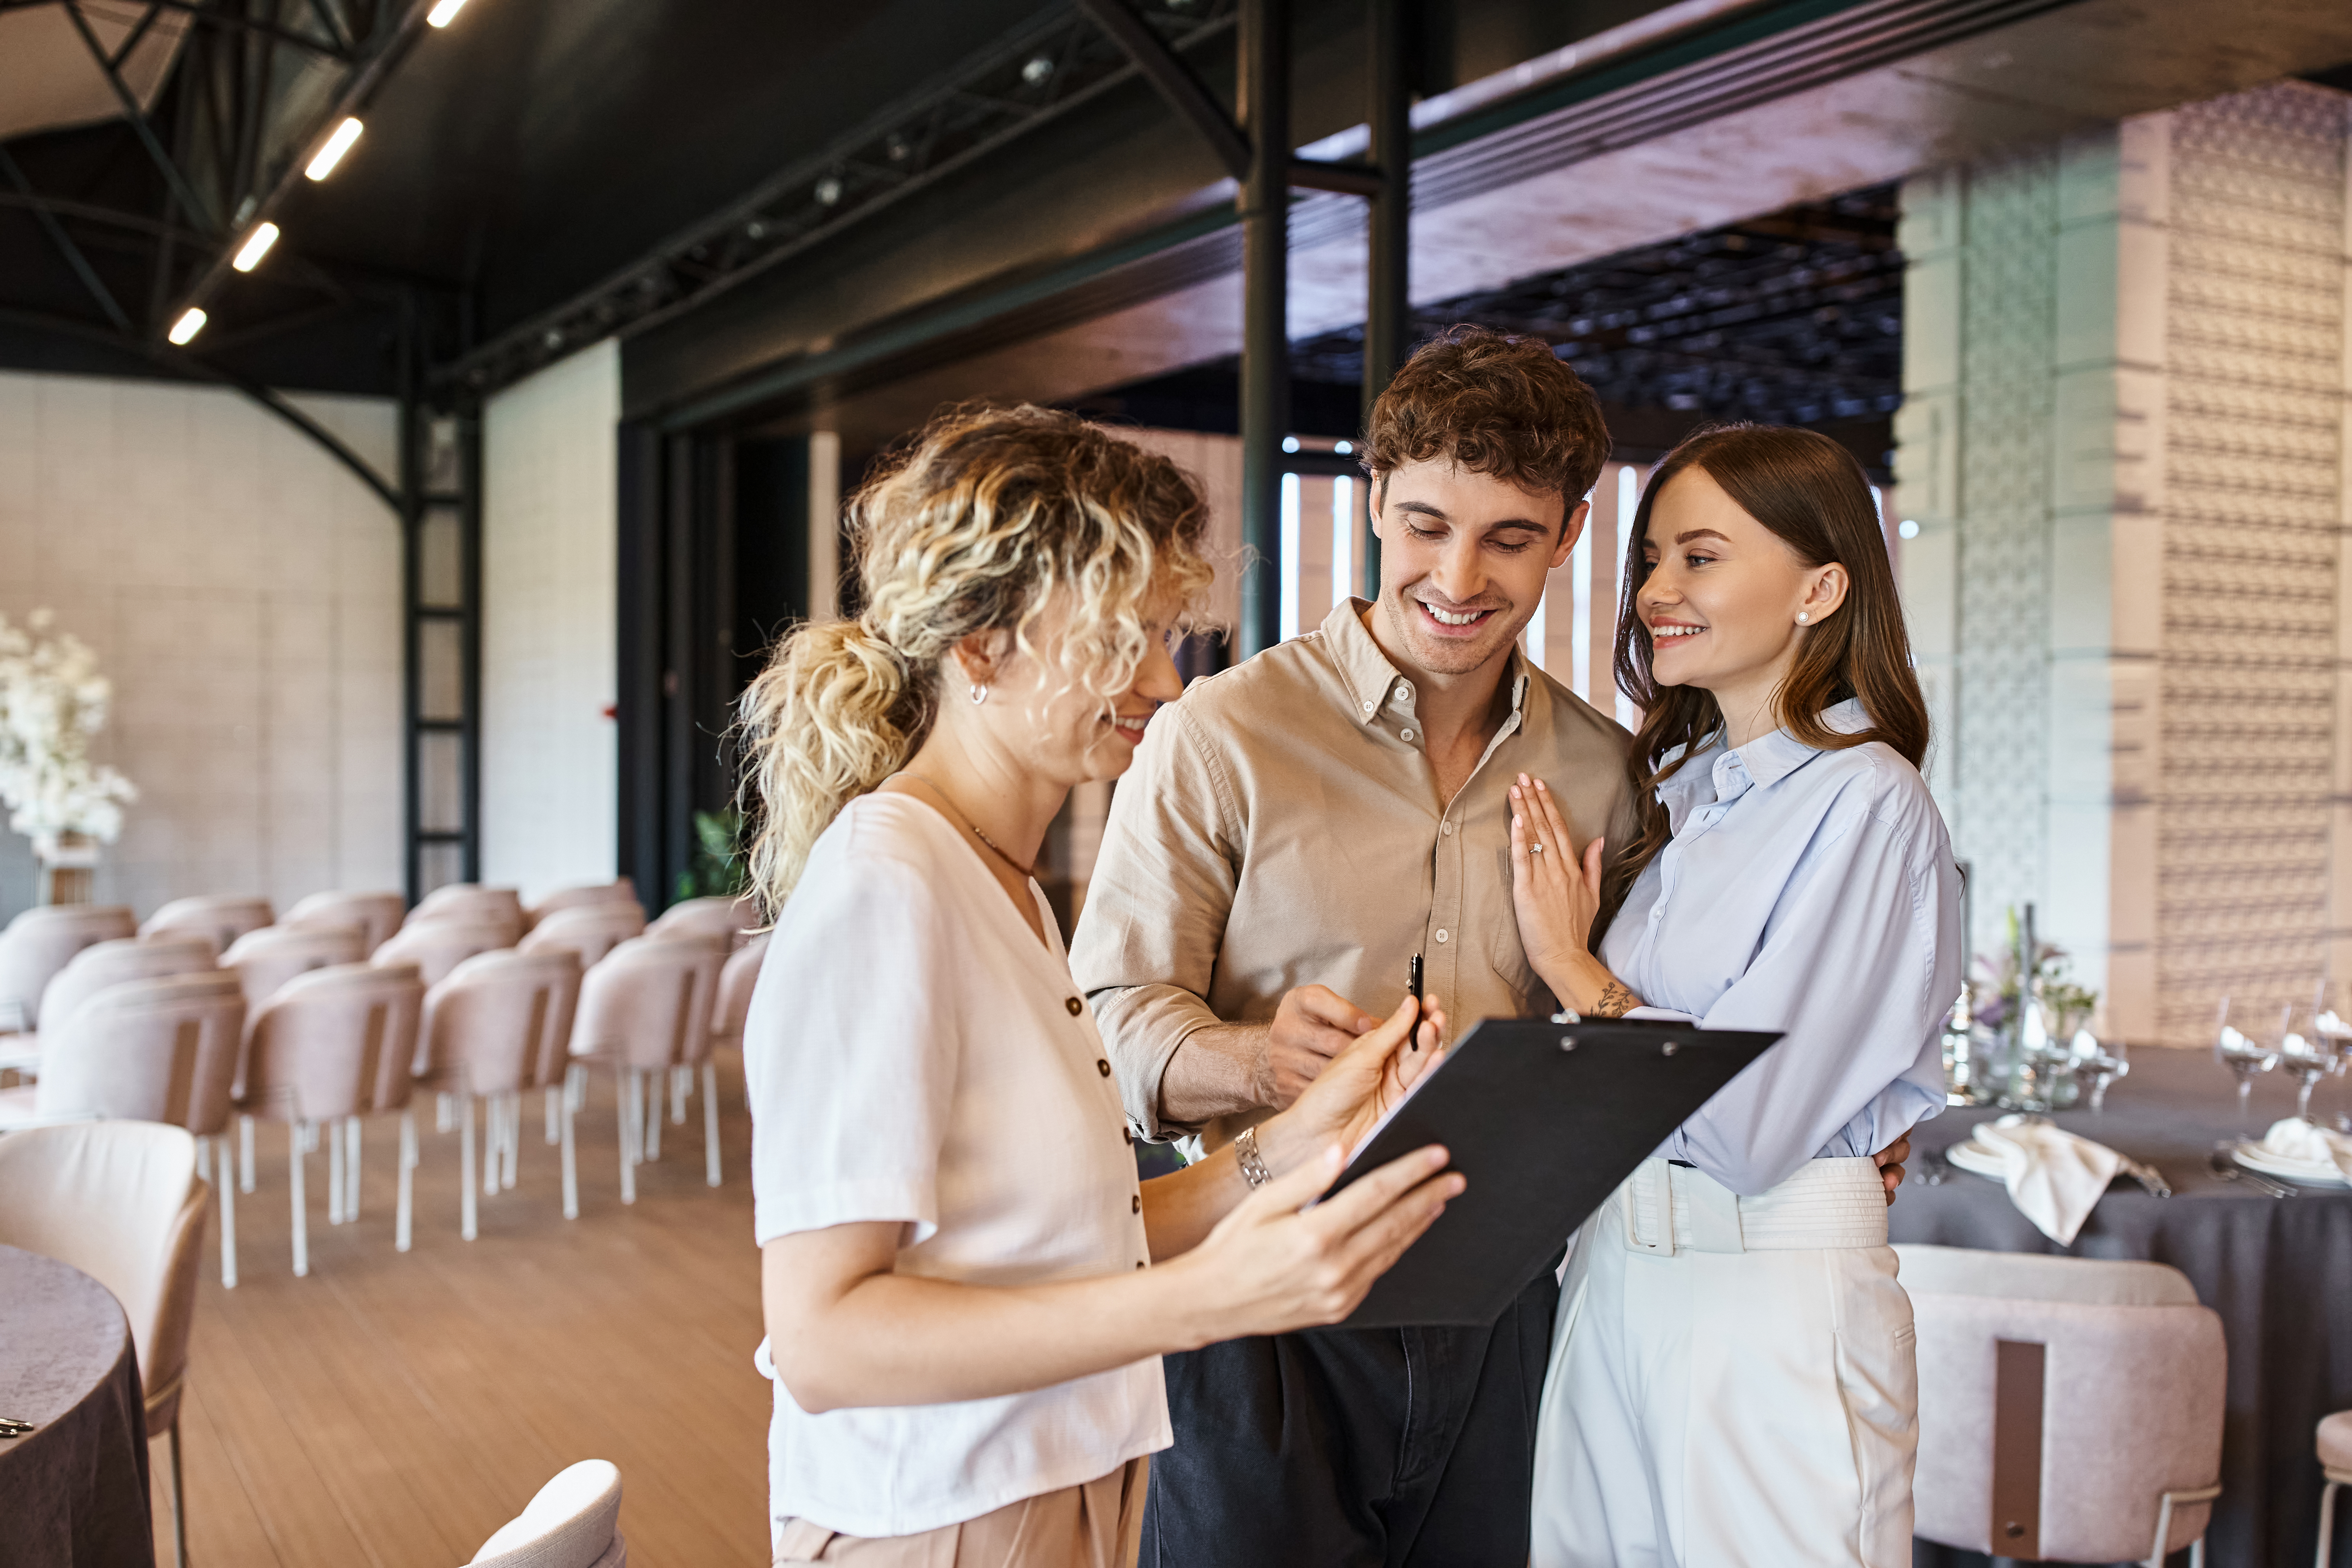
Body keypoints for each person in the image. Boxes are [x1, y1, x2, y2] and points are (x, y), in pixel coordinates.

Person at [737, 405, 1464, 1568]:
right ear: (981, 646)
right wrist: (1217, 1301)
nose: (1165, 682)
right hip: (937, 1519)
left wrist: (1300, 1144)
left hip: (1060, 1491)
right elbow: (824, 1337)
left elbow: (1066, 1236)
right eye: (1124, 638)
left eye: (1167, 634)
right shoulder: (890, 884)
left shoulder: (1004, 887)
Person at [1070, 327, 1640, 1567]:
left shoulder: (1603, 772)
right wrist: (1257, 1064)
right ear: (1376, 497)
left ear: (1572, 534)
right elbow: (1106, 1020)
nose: (1459, 575)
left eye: (1510, 537)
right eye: (1428, 523)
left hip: (1507, 1306)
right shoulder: (1221, 734)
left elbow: (1633, 1031)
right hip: (1266, 1301)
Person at [1516, 423, 1962, 1568]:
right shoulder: (1685, 797)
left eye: (1701, 557)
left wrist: (1581, 977)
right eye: (1653, 559)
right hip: (1610, 1275)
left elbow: (1747, 1128)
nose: (1658, 590)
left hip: (1768, 1297)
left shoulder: (1870, 803)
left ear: (1822, 586)